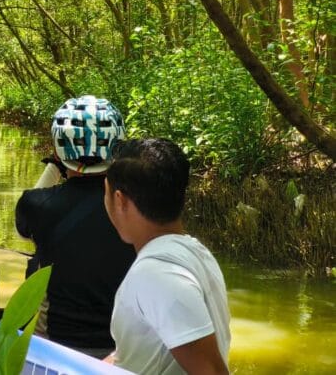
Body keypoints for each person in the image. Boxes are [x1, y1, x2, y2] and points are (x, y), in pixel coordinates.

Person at [15, 95, 135, 358]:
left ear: (58, 150)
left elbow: (22, 232)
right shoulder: (137, 207)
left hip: (54, 344)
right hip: (121, 348)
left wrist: (55, 165)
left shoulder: (35, 204)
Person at [104, 138, 230, 374]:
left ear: (120, 200)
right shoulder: (196, 253)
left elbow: (211, 371)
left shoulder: (157, 275)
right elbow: (142, 351)